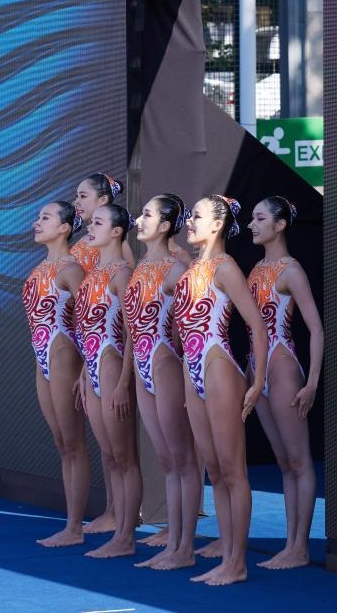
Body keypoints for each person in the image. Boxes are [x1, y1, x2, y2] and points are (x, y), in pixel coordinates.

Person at [174, 195, 267, 585]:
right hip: (192, 370)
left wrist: (258, 380)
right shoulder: (193, 267)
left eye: (196, 216)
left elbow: (256, 325)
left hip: (218, 366)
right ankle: (227, 556)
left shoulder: (226, 267)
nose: (189, 222)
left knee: (232, 470)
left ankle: (237, 563)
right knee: (213, 469)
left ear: (217, 224)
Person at [124, 194, 202, 569]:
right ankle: (174, 544)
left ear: (166, 226)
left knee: (183, 459)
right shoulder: (142, 266)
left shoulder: (176, 269)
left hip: (165, 363)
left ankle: (185, 548)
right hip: (143, 366)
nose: (139, 220)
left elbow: (192, 324)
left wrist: (191, 374)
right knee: (167, 461)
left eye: (147, 215)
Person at [246, 197, 323, 568]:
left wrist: (312, 383)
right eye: (251, 218)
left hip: (283, 367)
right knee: (283, 461)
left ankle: (300, 548)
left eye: (260, 218)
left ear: (279, 225)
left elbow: (316, 328)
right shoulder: (256, 269)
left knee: (298, 460)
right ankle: (291, 545)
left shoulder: (291, 271)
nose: (252, 225)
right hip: (258, 369)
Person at [74, 203, 142, 558]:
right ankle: (118, 527)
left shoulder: (122, 273)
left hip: (113, 367)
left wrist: (122, 382)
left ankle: (126, 537)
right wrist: (84, 373)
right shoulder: (93, 274)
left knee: (125, 456)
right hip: (94, 369)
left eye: (98, 223)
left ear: (116, 231)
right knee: (111, 456)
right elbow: (86, 328)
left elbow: (132, 333)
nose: (90, 227)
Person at [23, 201, 89, 546]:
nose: (37, 223)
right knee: (62, 443)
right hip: (43, 358)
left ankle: (75, 528)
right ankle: (71, 524)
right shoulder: (40, 268)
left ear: (64, 228)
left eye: (45, 218)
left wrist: (88, 367)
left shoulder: (71, 269)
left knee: (73, 443)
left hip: (64, 356)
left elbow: (89, 319)